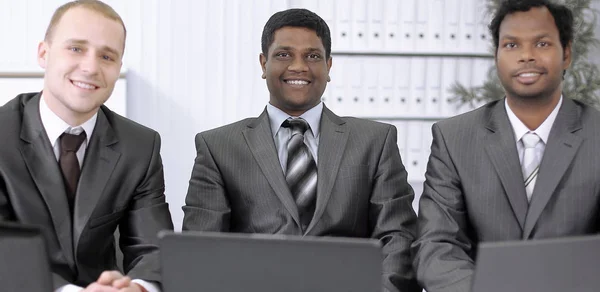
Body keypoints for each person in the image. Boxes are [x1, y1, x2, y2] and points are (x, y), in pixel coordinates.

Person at [182, 8, 419, 292]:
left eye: (312, 56)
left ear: (329, 66)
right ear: (263, 63)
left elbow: (398, 238)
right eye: (284, 54)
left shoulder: (375, 142)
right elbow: (201, 253)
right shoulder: (218, 147)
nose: (299, 66)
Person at [412, 0, 600, 291]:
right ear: (497, 55)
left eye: (542, 43)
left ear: (566, 54)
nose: (526, 56)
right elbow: (436, 246)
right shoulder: (455, 138)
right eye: (511, 45)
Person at [0, 1, 173, 291]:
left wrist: (139, 287)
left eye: (107, 56)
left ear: (118, 67)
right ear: (44, 53)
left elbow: (153, 248)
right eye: (76, 48)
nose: (91, 67)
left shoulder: (141, 146)